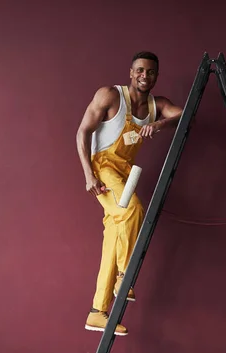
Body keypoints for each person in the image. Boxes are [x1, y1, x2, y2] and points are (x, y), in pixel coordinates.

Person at [76, 51, 183, 336]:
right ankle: (125, 276)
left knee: (114, 235)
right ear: (131, 72)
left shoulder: (156, 105)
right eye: (140, 70)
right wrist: (88, 174)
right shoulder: (110, 95)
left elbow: (184, 115)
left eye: (150, 72)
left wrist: (159, 124)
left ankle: (97, 312)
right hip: (103, 167)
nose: (144, 76)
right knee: (133, 210)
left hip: (124, 172)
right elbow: (82, 131)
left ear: (156, 76)